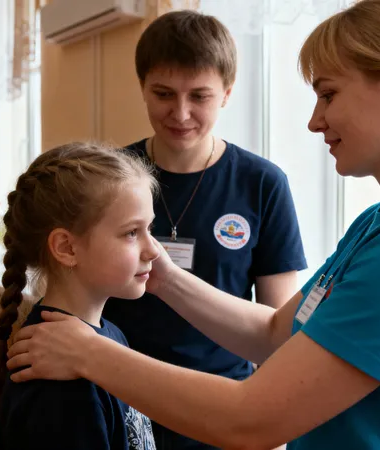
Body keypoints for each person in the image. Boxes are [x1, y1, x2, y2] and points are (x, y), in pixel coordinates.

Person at [5, 0, 380, 448]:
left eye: (329, 94)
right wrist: (159, 271)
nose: (315, 120)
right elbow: (275, 335)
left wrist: (89, 352)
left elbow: (252, 420)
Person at [104, 10, 307, 449]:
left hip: (221, 405)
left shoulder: (262, 183)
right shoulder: (110, 179)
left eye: (199, 96)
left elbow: (279, 326)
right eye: (163, 94)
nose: (181, 113)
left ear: (227, 94)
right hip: (122, 397)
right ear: (142, 87)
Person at [0, 143, 160, 449]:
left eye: (149, 227)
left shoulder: (105, 337)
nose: (154, 250)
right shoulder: (58, 384)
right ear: (67, 248)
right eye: (131, 233)